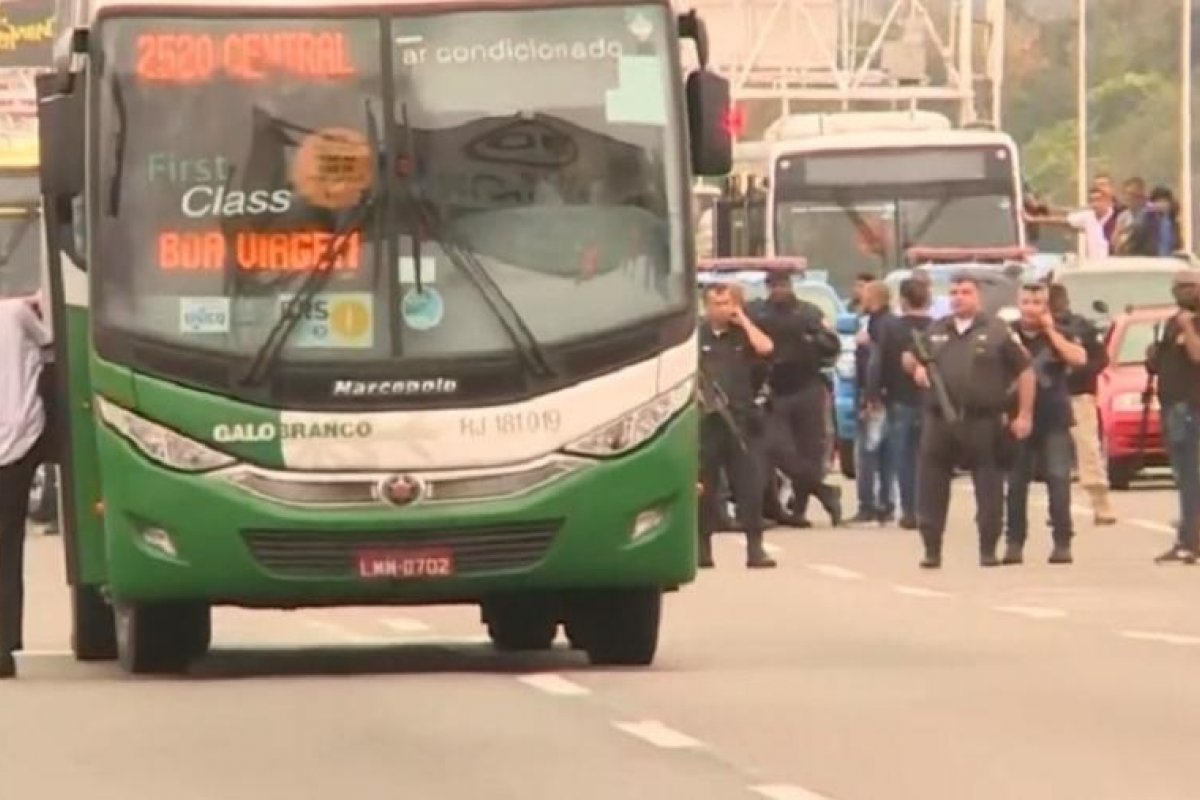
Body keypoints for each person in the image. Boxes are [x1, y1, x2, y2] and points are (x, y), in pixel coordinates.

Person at [903, 272, 1035, 568]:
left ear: (978, 297)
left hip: (982, 421)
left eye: (965, 292)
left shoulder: (998, 331)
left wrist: (1024, 414)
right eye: (953, 292)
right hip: (939, 421)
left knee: (988, 486)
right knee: (931, 485)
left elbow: (1025, 371)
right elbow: (909, 356)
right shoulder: (937, 330)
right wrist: (916, 369)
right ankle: (932, 549)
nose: (958, 297)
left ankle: (988, 549)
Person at [1003, 284, 1088, 565]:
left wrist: (1051, 331)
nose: (1030, 307)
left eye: (1037, 302)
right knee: (1016, 484)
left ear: (1047, 306)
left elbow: (1079, 358)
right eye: (1025, 301)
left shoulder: (1060, 332)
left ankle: (1062, 541)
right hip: (1017, 419)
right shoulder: (1007, 334)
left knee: (1059, 479)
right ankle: (1014, 542)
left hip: (1054, 417)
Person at [752, 271, 844, 529]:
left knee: (809, 451)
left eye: (784, 284)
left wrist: (814, 340)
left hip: (807, 387)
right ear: (768, 287)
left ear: (791, 286)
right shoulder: (758, 313)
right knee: (778, 450)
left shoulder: (808, 313)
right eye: (775, 285)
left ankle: (799, 508)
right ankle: (825, 492)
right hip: (775, 390)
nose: (780, 290)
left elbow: (832, 344)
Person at [697, 283, 777, 569]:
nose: (723, 308)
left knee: (749, 487)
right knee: (705, 488)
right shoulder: (697, 336)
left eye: (728, 302)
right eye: (717, 303)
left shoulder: (743, 334)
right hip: (707, 422)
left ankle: (755, 549)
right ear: (706, 307)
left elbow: (767, 348)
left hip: (741, 420)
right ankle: (702, 549)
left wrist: (742, 318)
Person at [0, 293, 51, 679]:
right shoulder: (17, 315)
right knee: (8, 549)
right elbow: (50, 341)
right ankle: (3, 648)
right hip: (16, 445)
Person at [868, 278, 934, 530]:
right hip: (930, 400)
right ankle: (928, 508)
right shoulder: (936, 327)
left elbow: (878, 361)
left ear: (903, 300)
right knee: (928, 457)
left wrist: (873, 395)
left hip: (899, 399)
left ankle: (910, 510)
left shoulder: (892, 328)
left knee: (904, 458)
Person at [1048, 283, 1116, 525]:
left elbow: (1100, 358)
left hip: (1077, 395)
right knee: (1048, 457)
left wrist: (1082, 372)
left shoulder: (1081, 327)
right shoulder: (1034, 329)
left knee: (1088, 451)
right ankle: (1056, 508)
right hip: (1045, 397)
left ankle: (1101, 505)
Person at [1148, 270, 1200, 564]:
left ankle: (1190, 541)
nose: (1181, 291)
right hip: (1170, 404)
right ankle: (1187, 535)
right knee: (1182, 475)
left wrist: (1188, 328)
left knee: (1191, 475)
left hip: (1191, 406)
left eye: (1189, 286)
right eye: (1177, 286)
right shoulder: (1173, 321)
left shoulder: (1192, 321)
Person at [850, 280, 894, 525]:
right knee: (886, 452)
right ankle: (886, 503)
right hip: (886, 394)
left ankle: (868, 504)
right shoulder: (886, 323)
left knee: (867, 452)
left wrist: (870, 397)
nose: (860, 298)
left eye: (865, 294)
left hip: (874, 396)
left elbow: (874, 364)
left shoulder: (877, 325)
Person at [1024, 186, 1114, 258]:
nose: (1095, 204)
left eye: (1098, 200)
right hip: (1095, 267)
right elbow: (1062, 220)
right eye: (1092, 200)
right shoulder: (1088, 216)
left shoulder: (1116, 217)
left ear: (1107, 201)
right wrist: (1032, 219)